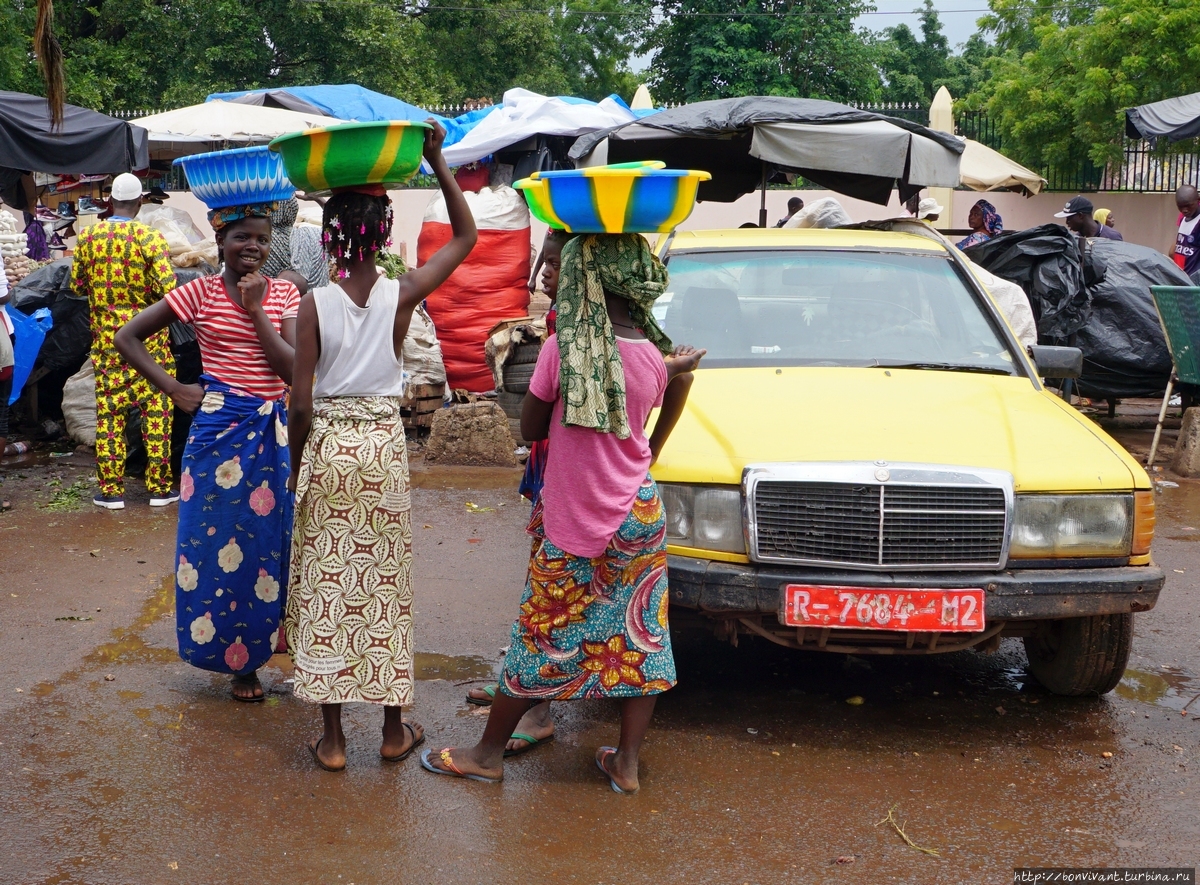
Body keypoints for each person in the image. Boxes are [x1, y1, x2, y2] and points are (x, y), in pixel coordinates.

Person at [421, 232, 705, 793]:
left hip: (576, 517)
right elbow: (677, 383)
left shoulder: (565, 349)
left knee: (540, 632)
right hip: (638, 512)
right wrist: (648, 448)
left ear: (583, 277)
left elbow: (527, 429)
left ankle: (486, 755)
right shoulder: (650, 352)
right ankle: (625, 762)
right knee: (640, 634)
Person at [285, 122, 477, 772]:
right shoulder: (402, 293)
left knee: (328, 583)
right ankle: (394, 729)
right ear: (383, 232)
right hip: (383, 451)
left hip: (332, 450)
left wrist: (295, 470)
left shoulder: (315, 304)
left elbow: (301, 401)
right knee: (383, 584)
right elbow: (465, 236)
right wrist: (438, 160)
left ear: (331, 237)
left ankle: (334, 740)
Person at [115, 192, 299, 702]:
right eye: (242, 237)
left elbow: (289, 369)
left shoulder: (283, 295)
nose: (253, 247)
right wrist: (174, 388)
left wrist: (256, 308)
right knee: (216, 546)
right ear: (218, 239)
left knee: (269, 546)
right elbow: (127, 337)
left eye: (262, 238)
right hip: (216, 437)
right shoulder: (195, 293)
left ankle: (267, 651)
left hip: (271, 434)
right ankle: (238, 665)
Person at [465, 228, 570, 757]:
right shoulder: (555, 322)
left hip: (567, 470)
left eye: (556, 264)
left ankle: (538, 705)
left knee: (551, 591)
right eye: (544, 263)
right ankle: (520, 685)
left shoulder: (574, 333)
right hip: (549, 463)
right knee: (539, 577)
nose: (546, 273)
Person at [70, 172, 179, 510]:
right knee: (157, 414)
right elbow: (170, 290)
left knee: (110, 417)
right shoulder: (150, 238)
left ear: (109, 200)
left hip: (108, 344)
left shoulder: (88, 237)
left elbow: (76, 287)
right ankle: (160, 490)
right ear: (141, 201)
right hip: (150, 344)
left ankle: (111, 492)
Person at [262, 196, 330, 294]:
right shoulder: (314, 233)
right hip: (321, 304)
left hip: (281, 307)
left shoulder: (263, 241)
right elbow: (339, 227)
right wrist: (318, 198)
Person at [1054, 195, 1122, 241]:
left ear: (1080, 215)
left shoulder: (1112, 237)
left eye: (1069, 218)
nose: (1067, 222)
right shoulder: (1076, 240)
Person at [1174, 185, 1200, 279]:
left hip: (1193, 282)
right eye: (1180, 206)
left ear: (1198, 200)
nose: (1184, 210)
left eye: (1188, 206)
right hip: (1180, 278)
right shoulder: (1183, 218)